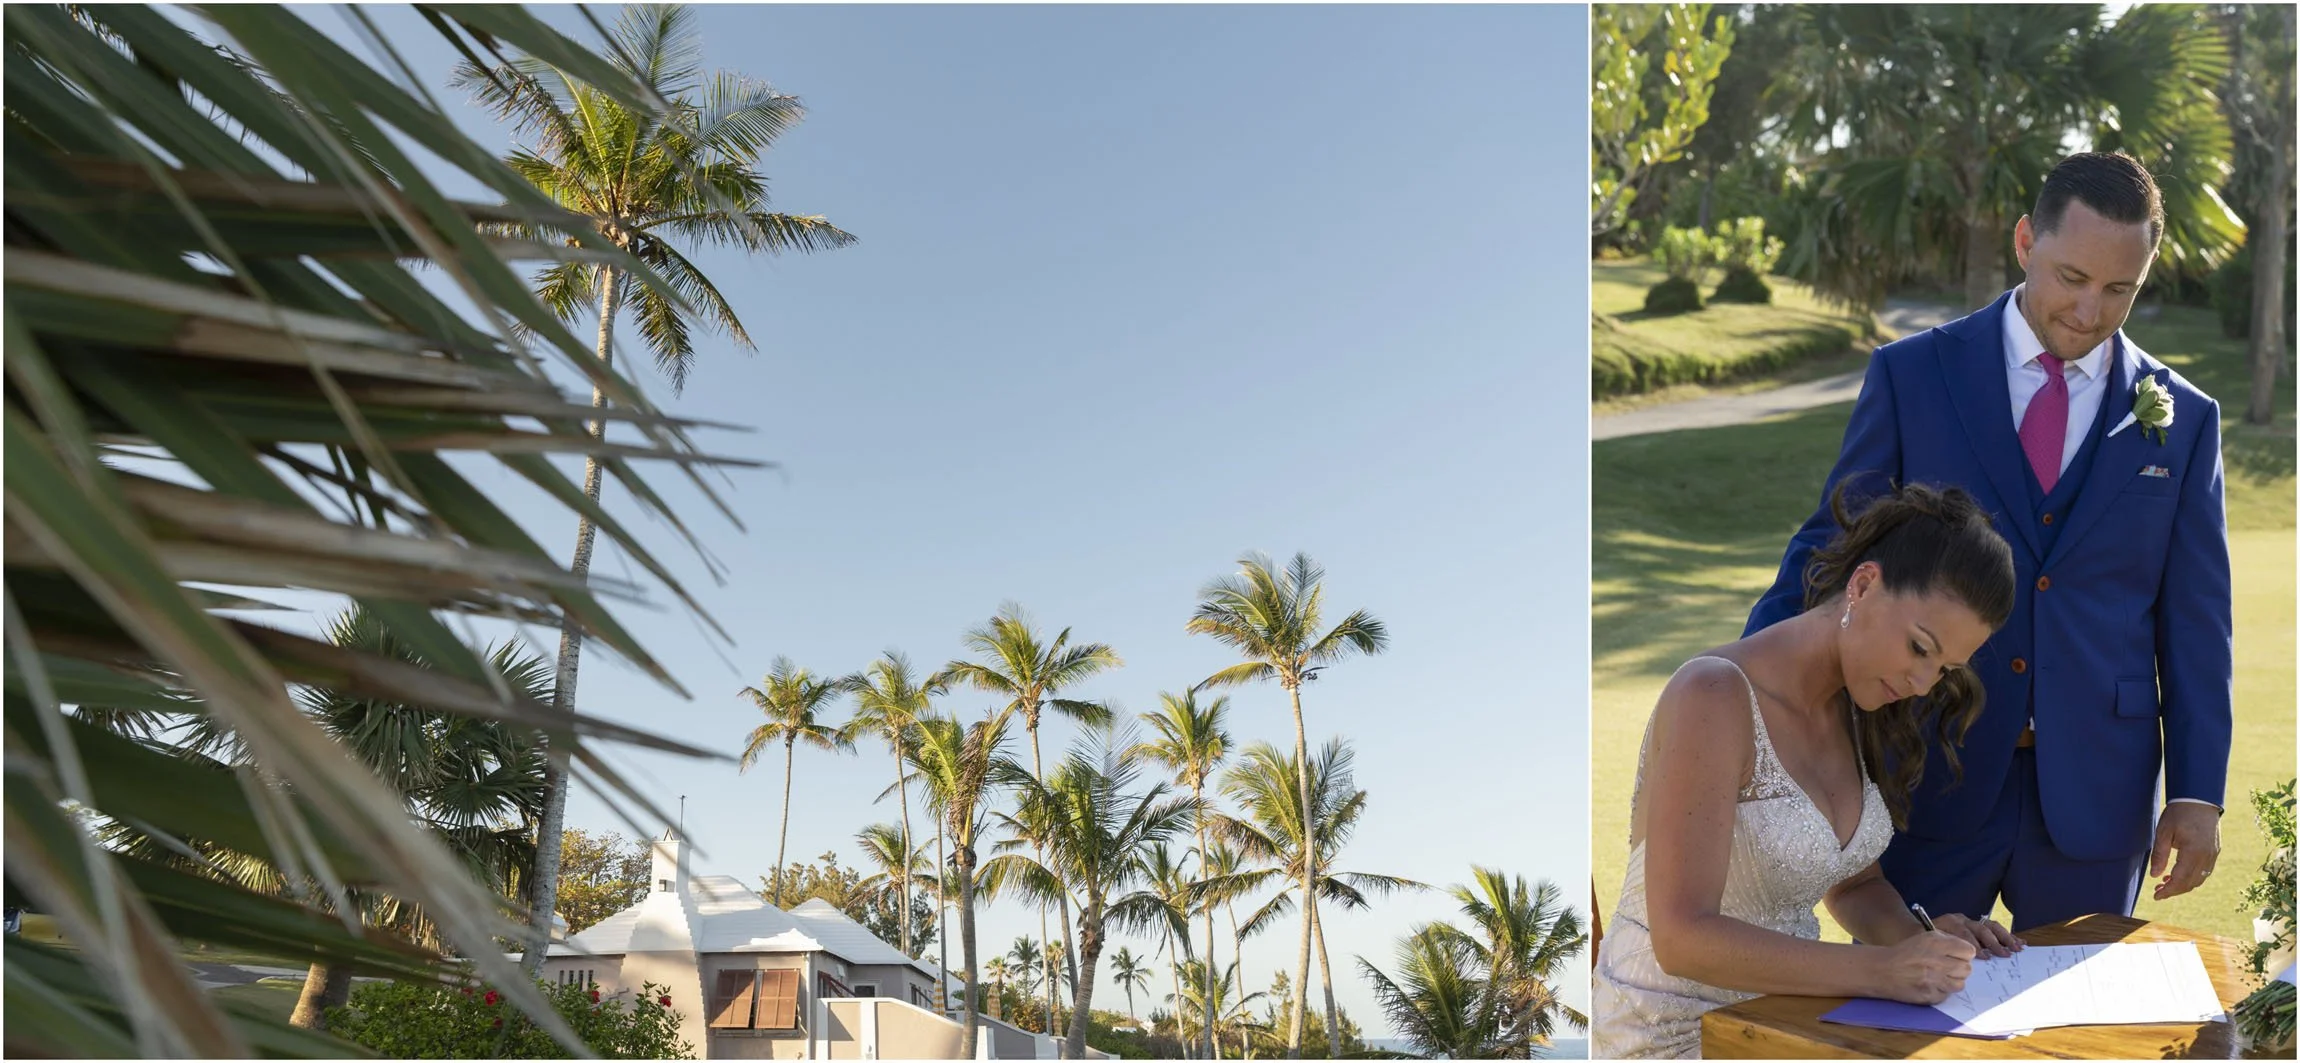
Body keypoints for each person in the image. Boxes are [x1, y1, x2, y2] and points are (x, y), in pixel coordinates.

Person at [1747, 151, 2233, 934]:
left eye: (2120, 290)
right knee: (1910, 1025)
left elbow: (2197, 620)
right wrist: (1743, 690)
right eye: (2071, 277)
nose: (2090, 309)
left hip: (2099, 795)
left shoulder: (2186, 419)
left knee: (2079, 1039)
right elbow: (1834, 547)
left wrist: (2197, 790)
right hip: (1926, 765)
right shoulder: (1913, 375)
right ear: (2023, 242)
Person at [1595, 483, 2022, 1059]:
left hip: (1788, 1024)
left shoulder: (1858, 703)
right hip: (1671, 1033)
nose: (1923, 684)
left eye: (1944, 669)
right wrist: (1882, 970)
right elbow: (1682, 938)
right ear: (1864, 585)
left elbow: (1855, 884)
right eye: (1920, 648)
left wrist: (1922, 943)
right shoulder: (1714, 695)